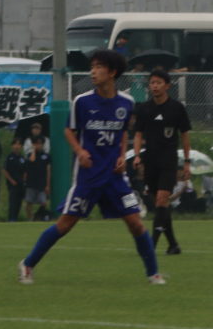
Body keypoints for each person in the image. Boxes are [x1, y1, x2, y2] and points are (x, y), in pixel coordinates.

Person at [18, 50, 164, 286]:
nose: (92, 72)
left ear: (112, 72)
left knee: (135, 222)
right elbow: (68, 130)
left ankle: (153, 273)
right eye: (92, 67)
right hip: (89, 176)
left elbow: (122, 132)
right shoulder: (82, 101)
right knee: (65, 224)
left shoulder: (126, 102)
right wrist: (80, 151)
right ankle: (27, 264)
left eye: (98, 67)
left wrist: (121, 156)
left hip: (115, 177)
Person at [132, 69, 191, 255]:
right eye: (152, 83)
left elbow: (185, 135)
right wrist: (137, 155)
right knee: (161, 205)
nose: (155, 86)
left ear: (167, 86)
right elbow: (138, 134)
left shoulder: (177, 108)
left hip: (168, 160)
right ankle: (173, 245)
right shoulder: (144, 108)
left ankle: (151, 245)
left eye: (158, 83)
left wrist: (187, 162)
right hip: (150, 160)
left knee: (161, 199)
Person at [23, 136, 51, 221]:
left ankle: (40, 216)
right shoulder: (30, 155)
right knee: (29, 202)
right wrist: (33, 150)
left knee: (43, 202)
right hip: (31, 182)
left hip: (41, 182)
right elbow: (32, 160)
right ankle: (30, 218)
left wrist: (47, 185)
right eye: (36, 144)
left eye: (40, 144)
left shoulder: (46, 156)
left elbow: (48, 170)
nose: (38, 145)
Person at [4, 138, 27, 222]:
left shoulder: (22, 158)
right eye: (15, 144)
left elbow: (25, 170)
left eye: (19, 144)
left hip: (21, 183)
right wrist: (11, 181)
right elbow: (5, 170)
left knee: (19, 202)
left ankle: (16, 218)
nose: (17, 146)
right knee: (13, 202)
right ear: (12, 146)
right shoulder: (9, 157)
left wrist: (24, 179)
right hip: (12, 184)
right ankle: (11, 218)